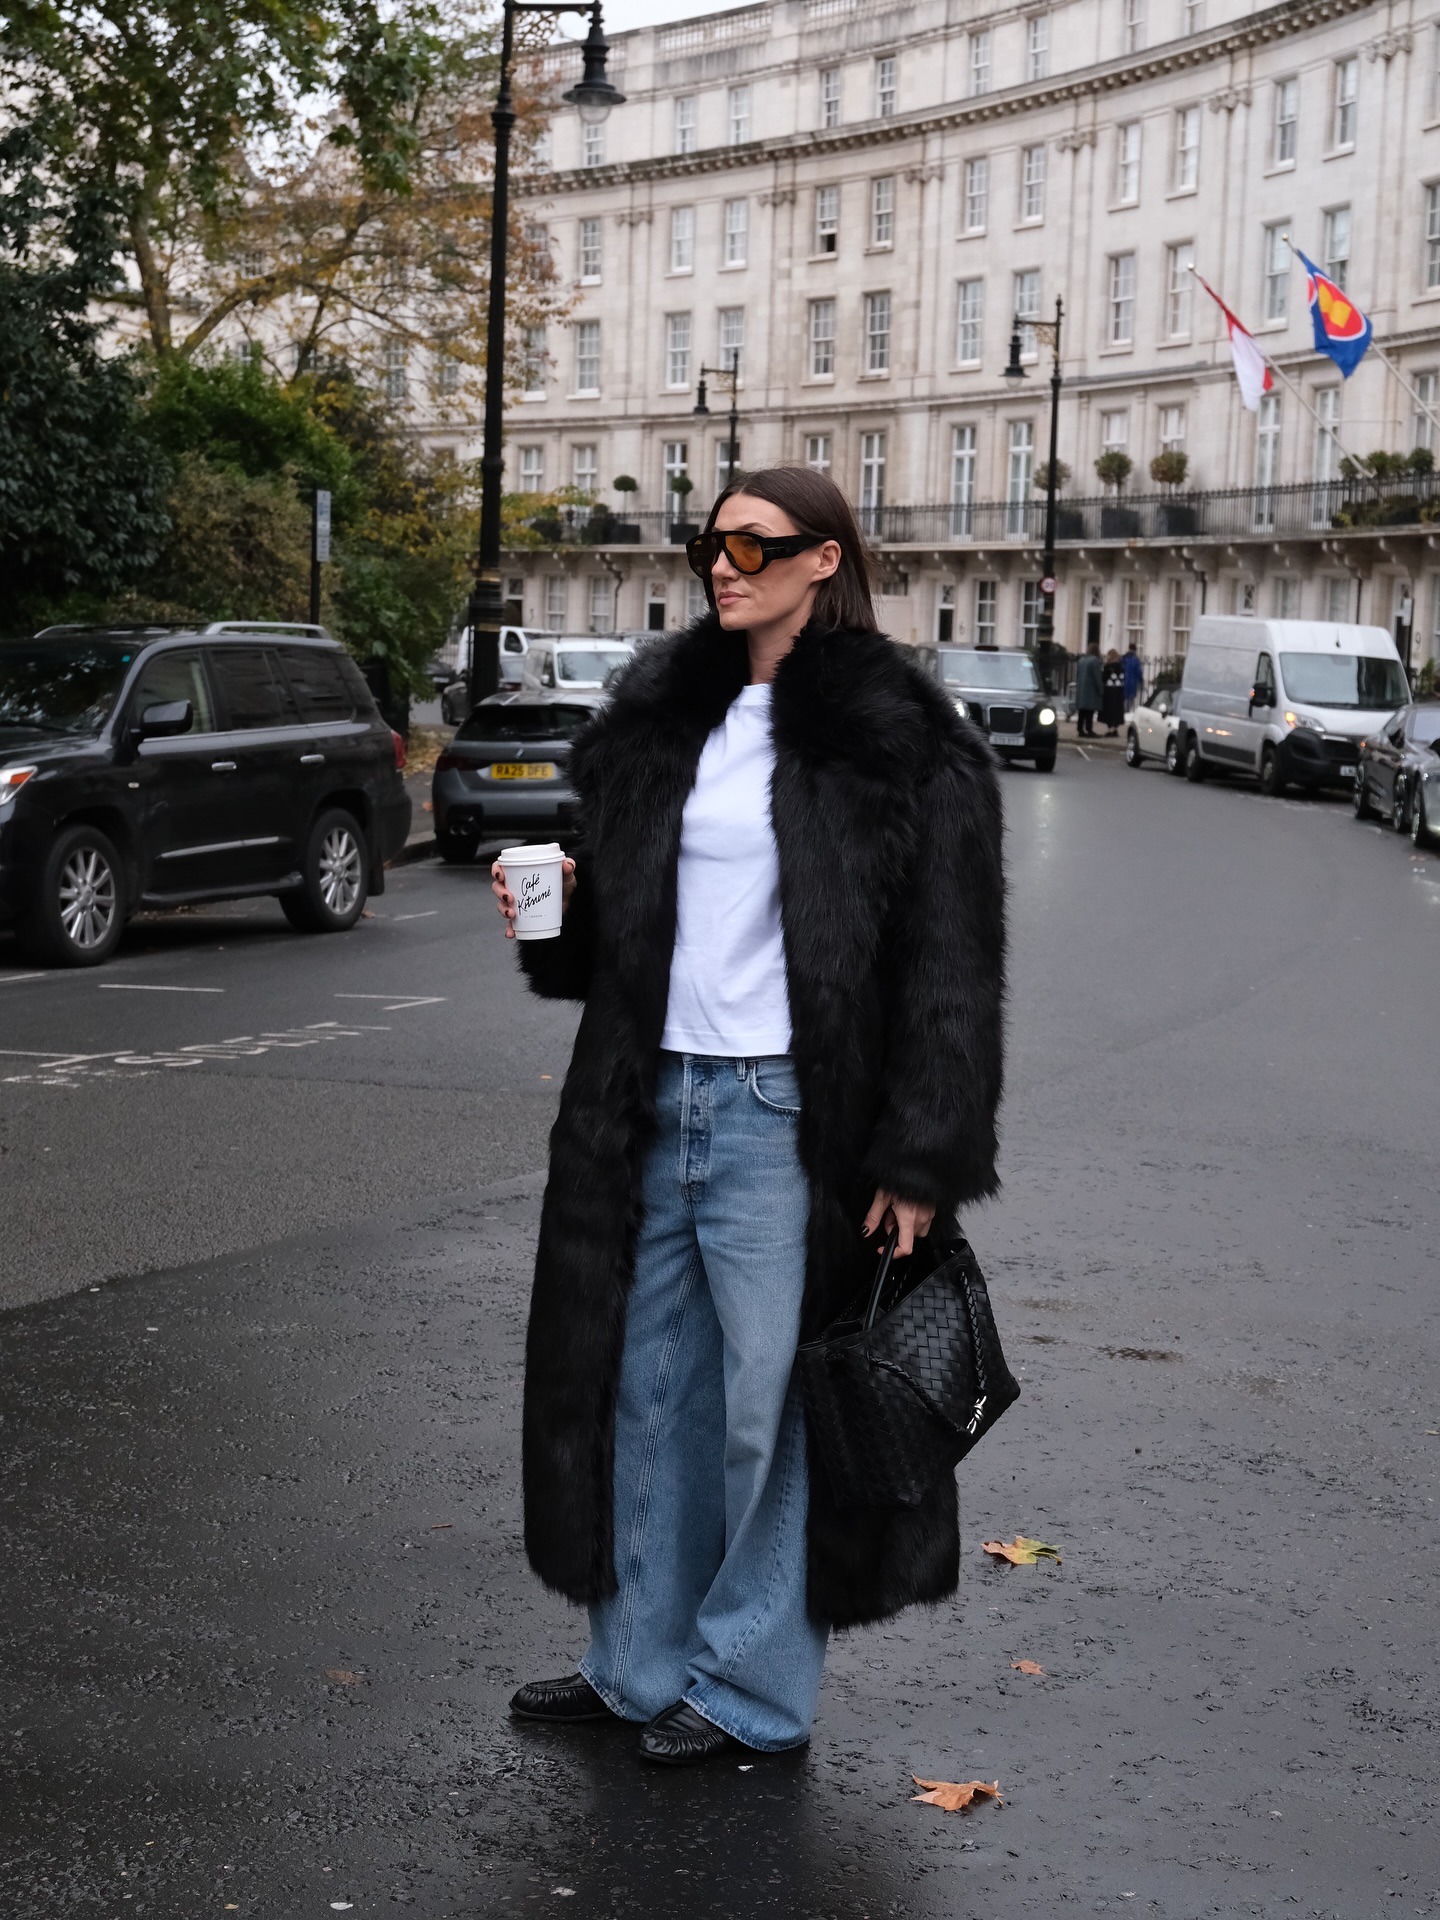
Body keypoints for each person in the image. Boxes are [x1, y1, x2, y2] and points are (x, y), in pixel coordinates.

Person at [490, 466, 1005, 1768]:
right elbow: (626, 936)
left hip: (789, 1114)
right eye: (706, 542)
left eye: (750, 542)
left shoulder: (897, 736)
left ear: (822, 561)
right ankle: (637, 1666)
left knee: (766, 1410)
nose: (720, 563)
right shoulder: (673, 715)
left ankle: (747, 1691)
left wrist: (922, 1154)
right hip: (652, 1095)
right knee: (647, 1390)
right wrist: (555, 924)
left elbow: (951, 963)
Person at [1074, 638, 1103, 737]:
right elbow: (1097, 677)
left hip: (1081, 689)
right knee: (1090, 711)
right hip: (1090, 690)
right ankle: (1089, 729)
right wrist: (1101, 689)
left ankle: (1080, 729)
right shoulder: (1094, 661)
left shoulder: (1082, 660)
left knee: (1082, 711)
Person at [1101, 648, 1126, 735]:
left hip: (1109, 691)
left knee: (1109, 710)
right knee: (1117, 710)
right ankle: (1115, 728)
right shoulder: (1121, 666)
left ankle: (1110, 729)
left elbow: (1104, 678)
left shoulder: (1108, 667)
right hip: (1119, 691)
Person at [1122, 639, 1144, 712]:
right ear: (1135, 650)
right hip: (1132, 682)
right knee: (1130, 700)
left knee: (1123, 699)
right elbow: (1139, 672)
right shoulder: (1136, 659)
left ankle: (1123, 712)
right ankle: (1127, 712)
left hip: (1123, 681)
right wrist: (1141, 681)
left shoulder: (1123, 658)